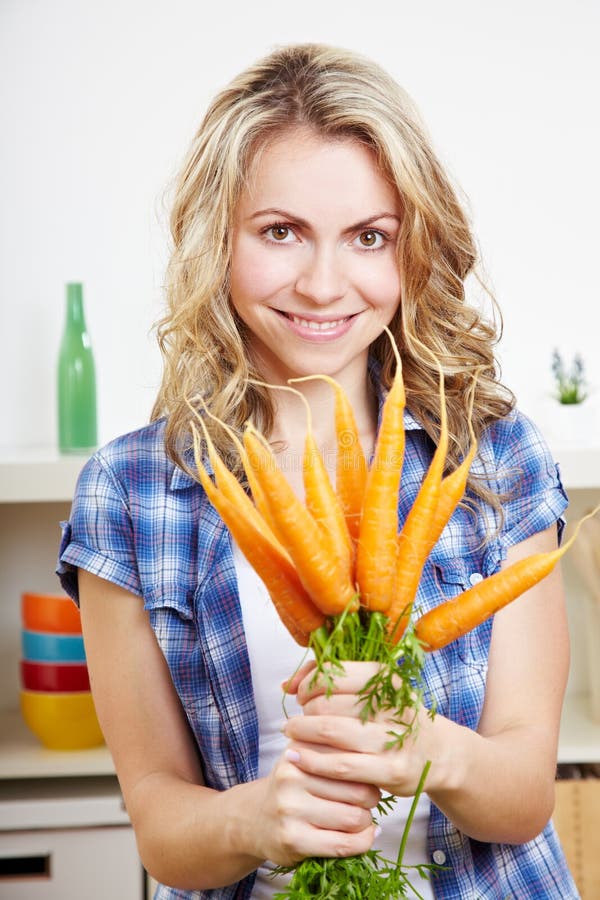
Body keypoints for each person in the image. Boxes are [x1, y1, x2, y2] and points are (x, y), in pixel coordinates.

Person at [57, 43, 578, 899]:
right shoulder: (132, 492)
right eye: (280, 232)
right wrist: (255, 819)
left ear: (411, 253)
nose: (325, 283)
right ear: (215, 238)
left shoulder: (490, 456)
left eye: (369, 237)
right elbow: (159, 824)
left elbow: (523, 797)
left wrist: (426, 746)